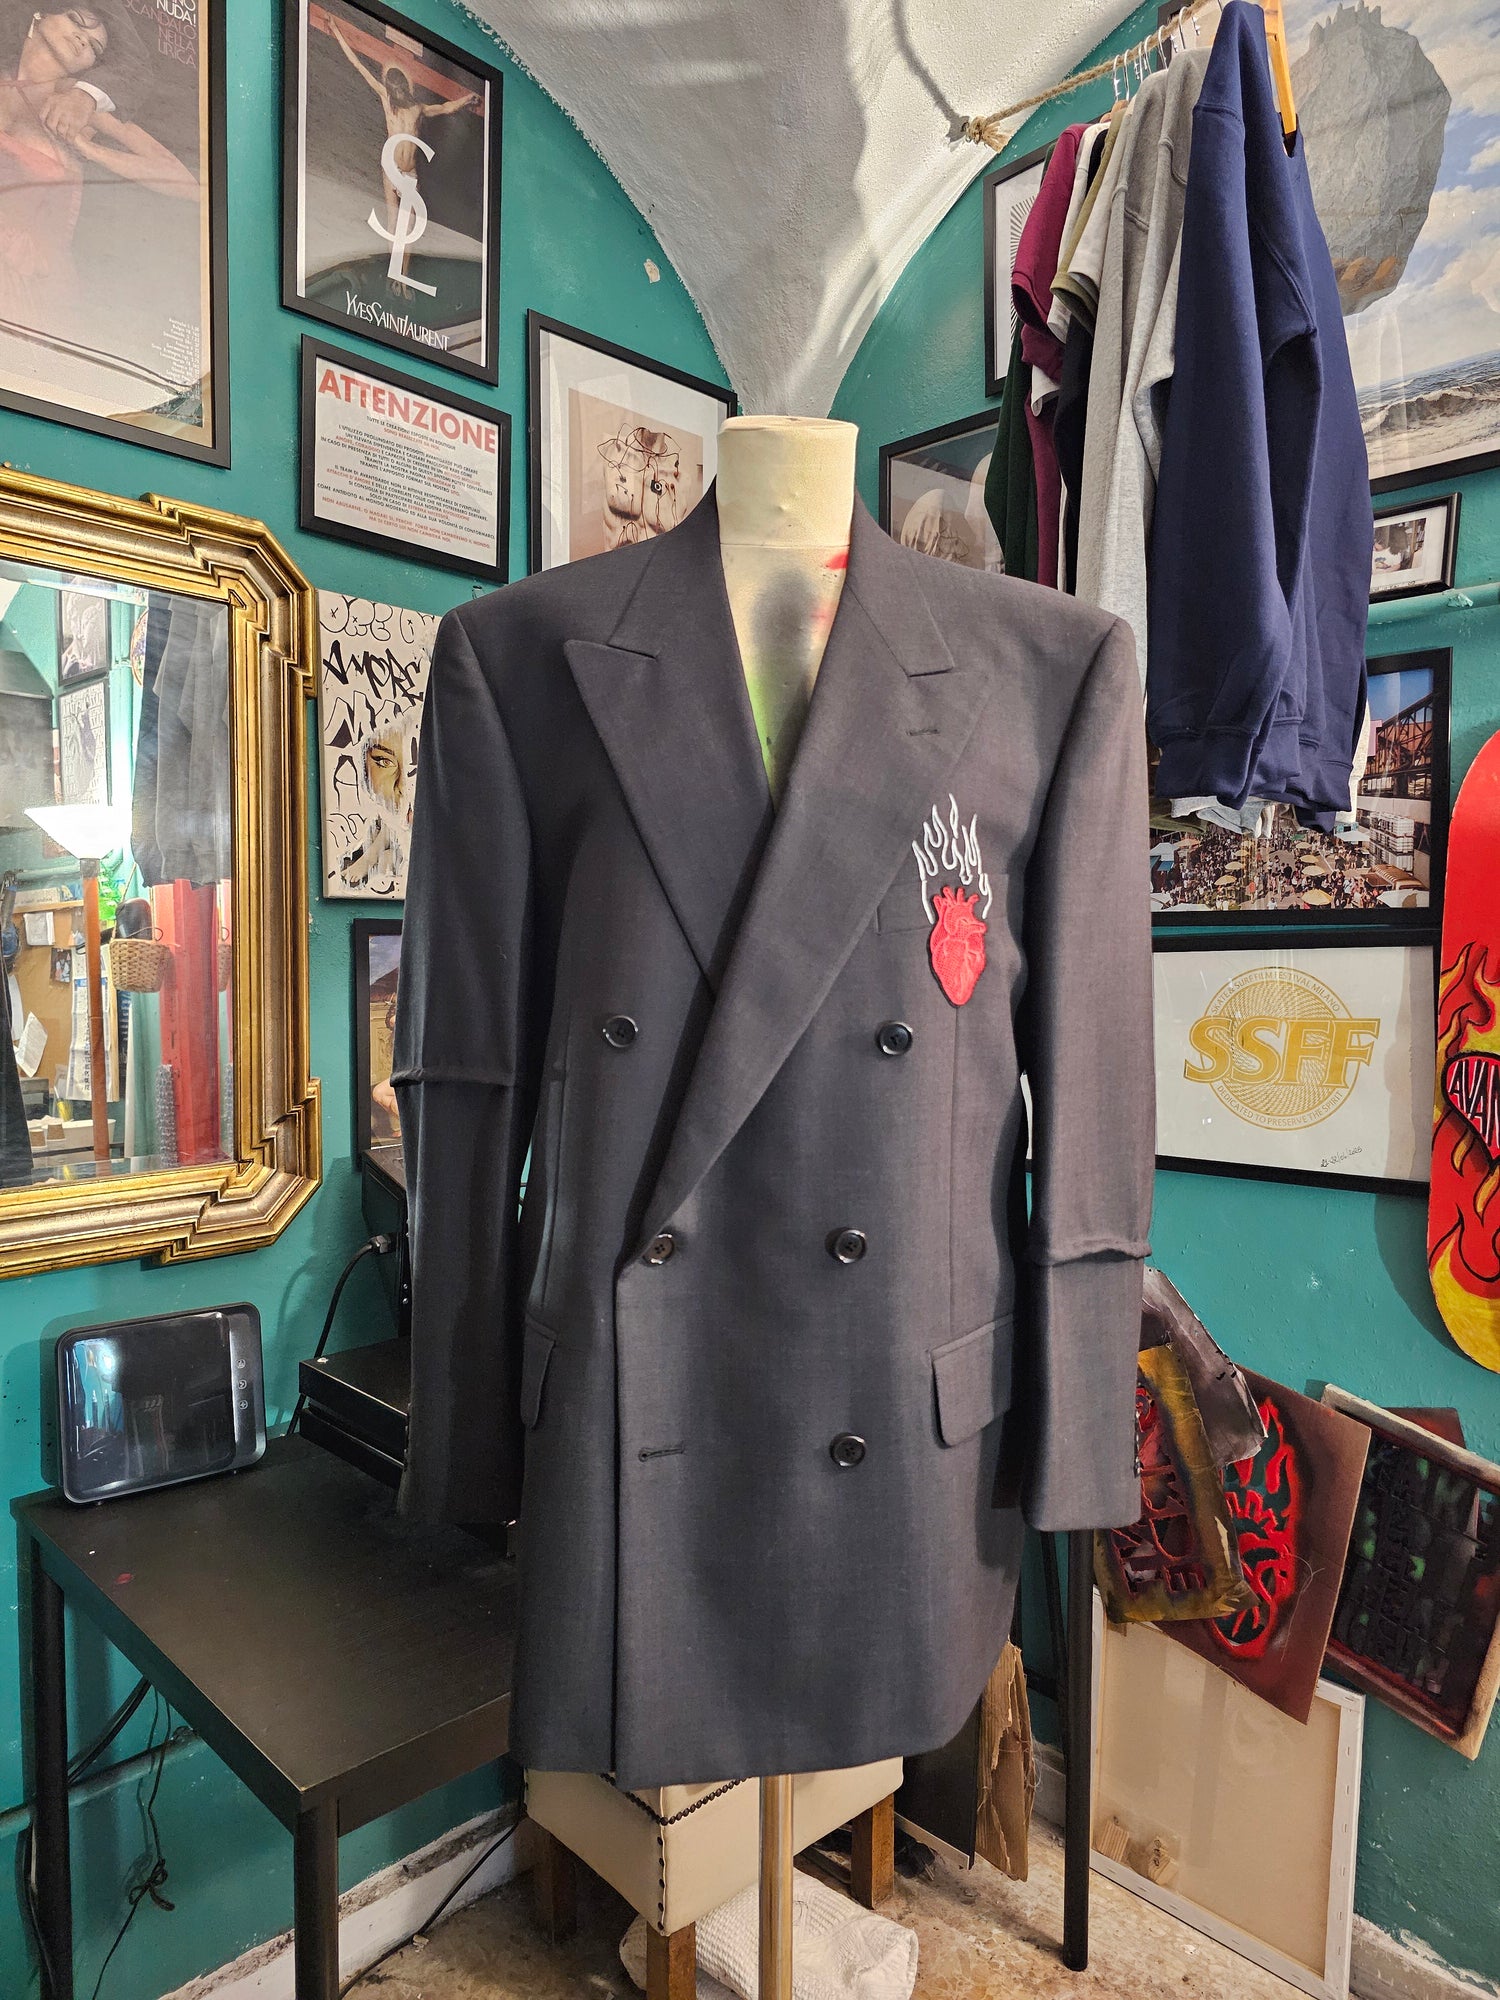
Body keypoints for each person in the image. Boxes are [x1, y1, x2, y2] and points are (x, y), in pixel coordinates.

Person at [328, 13, 477, 276]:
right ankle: (392, 272)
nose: (395, 91)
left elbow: (445, 107)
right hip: (391, 171)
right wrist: (337, 31)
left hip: (410, 174)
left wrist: (466, 99)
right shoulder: (388, 102)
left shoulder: (418, 108)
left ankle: (402, 275)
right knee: (393, 220)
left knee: (406, 229)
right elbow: (358, 64)